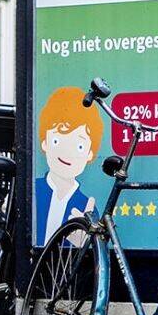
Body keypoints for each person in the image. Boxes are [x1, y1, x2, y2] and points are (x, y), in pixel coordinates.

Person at [32, 83, 104, 243]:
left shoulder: (87, 207)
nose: (67, 151)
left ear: (90, 153)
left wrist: (84, 245)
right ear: (45, 141)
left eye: (79, 146)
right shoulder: (32, 191)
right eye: (58, 140)